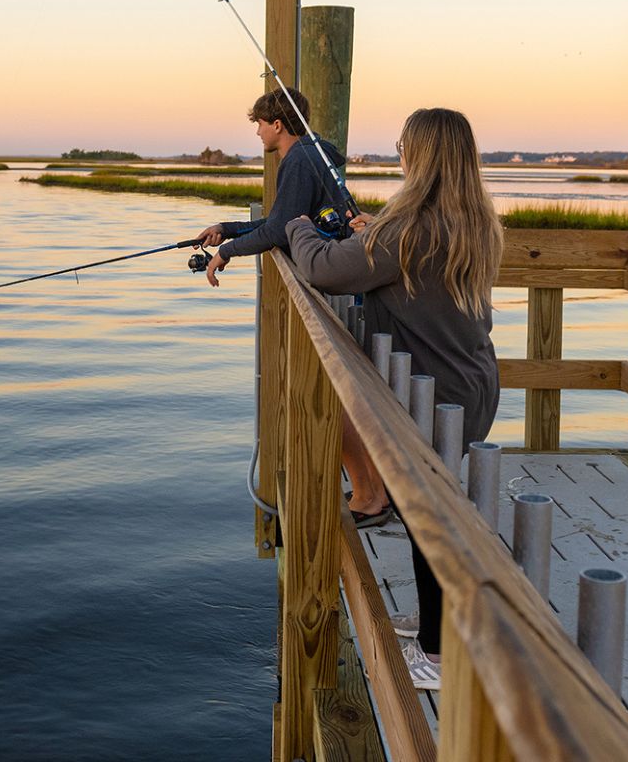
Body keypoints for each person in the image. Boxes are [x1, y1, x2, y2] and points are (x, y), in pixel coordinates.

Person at [284, 107, 503, 692]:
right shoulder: (466, 221)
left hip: (437, 396)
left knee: (424, 514)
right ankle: (437, 622)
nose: (399, 153)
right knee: (427, 505)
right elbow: (407, 263)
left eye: (405, 145)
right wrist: (372, 231)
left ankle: (438, 654)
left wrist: (298, 226)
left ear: (421, 156)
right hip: (475, 382)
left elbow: (322, 269)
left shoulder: (408, 233)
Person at [193, 88, 347, 287]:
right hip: (334, 261)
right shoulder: (309, 153)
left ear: (277, 125)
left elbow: (278, 231)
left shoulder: (298, 161)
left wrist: (226, 252)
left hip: (331, 269)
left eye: (260, 124)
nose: (258, 132)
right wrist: (226, 230)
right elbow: (282, 221)